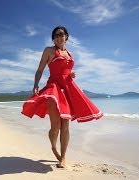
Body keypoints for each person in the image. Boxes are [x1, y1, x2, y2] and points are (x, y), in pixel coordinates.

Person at [21, 26, 103, 168]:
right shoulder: (49, 51)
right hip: (54, 89)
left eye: (62, 35)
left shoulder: (70, 54)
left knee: (66, 124)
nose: (59, 37)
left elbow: (65, 70)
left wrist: (71, 74)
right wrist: (35, 85)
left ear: (66, 37)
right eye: (56, 35)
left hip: (68, 88)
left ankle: (63, 157)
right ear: (53, 38)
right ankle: (54, 147)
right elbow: (40, 69)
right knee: (56, 126)